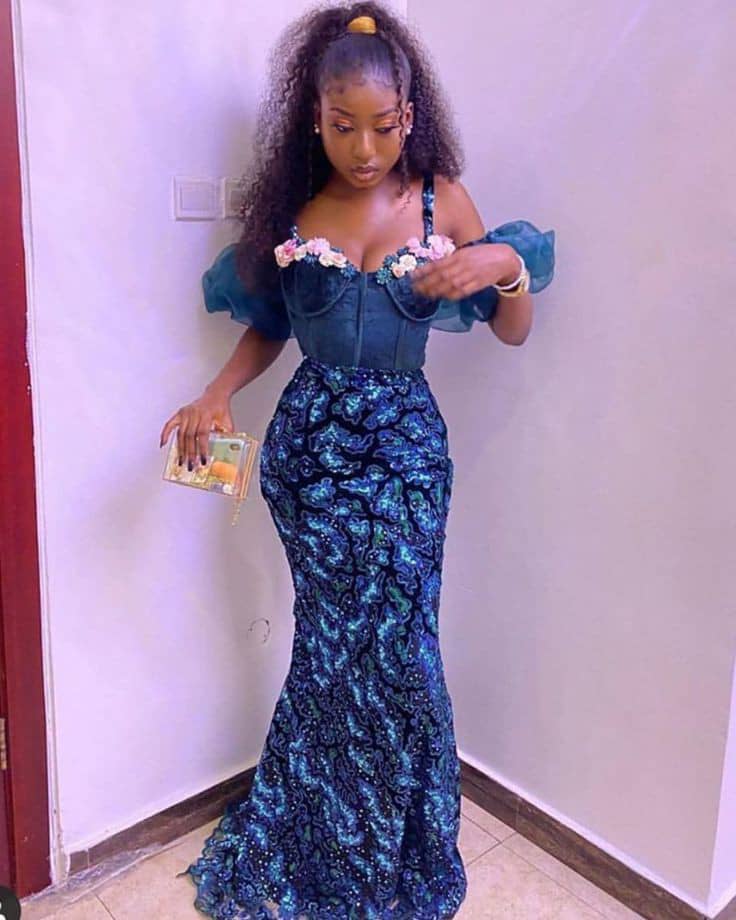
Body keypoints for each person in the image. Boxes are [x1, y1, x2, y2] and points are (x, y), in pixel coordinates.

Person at [161, 3, 555, 917]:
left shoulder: (443, 201)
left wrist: (502, 265)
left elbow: (514, 331)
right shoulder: (296, 210)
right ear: (315, 117)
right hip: (310, 456)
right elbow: (269, 326)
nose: (364, 148)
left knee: (401, 649)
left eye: (382, 126)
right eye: (343, 126)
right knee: (331, 647)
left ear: (410, 115)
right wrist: (218, 392)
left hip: (407, 457)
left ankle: (394, 843)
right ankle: (316, 837)